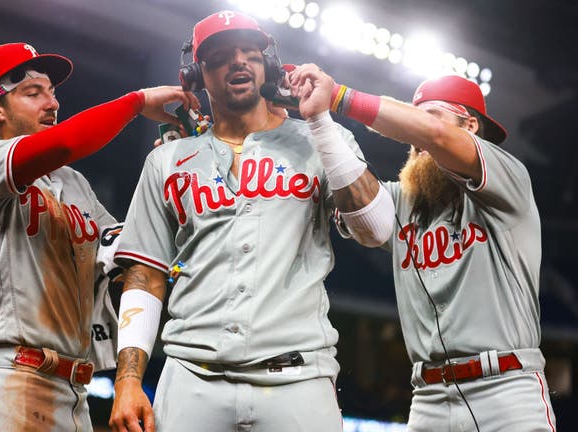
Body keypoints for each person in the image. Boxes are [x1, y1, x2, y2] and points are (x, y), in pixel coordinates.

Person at [107, 11, 395, 432]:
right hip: (191, 378)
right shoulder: (167, 159)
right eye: (221, 56)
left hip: (298, 380)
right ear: (198, 74)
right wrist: (128, 380)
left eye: (250, 52)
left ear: (269, 65)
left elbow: (378, 229)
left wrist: (319, 121)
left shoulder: (319, 139)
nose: (238, 61)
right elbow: (144, 274)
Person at [0, 42, 198, 431]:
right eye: (33, 93)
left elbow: (129, 248)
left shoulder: (74, 184)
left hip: (75, 392)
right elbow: (66, 142)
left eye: (52, 92)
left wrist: (179, 173)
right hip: (10, 379)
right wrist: (136, 102)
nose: (51, 103)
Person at [300, 71, 557, 430]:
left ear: (468, 126)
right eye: (412, 123)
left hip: (505, 388)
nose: (415, 136)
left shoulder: (507, 176)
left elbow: (435, 135)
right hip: (428, 397)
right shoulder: (402, 198)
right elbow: (365, 217)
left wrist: (340, 97)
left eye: (429, 116)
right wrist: (318, 120)